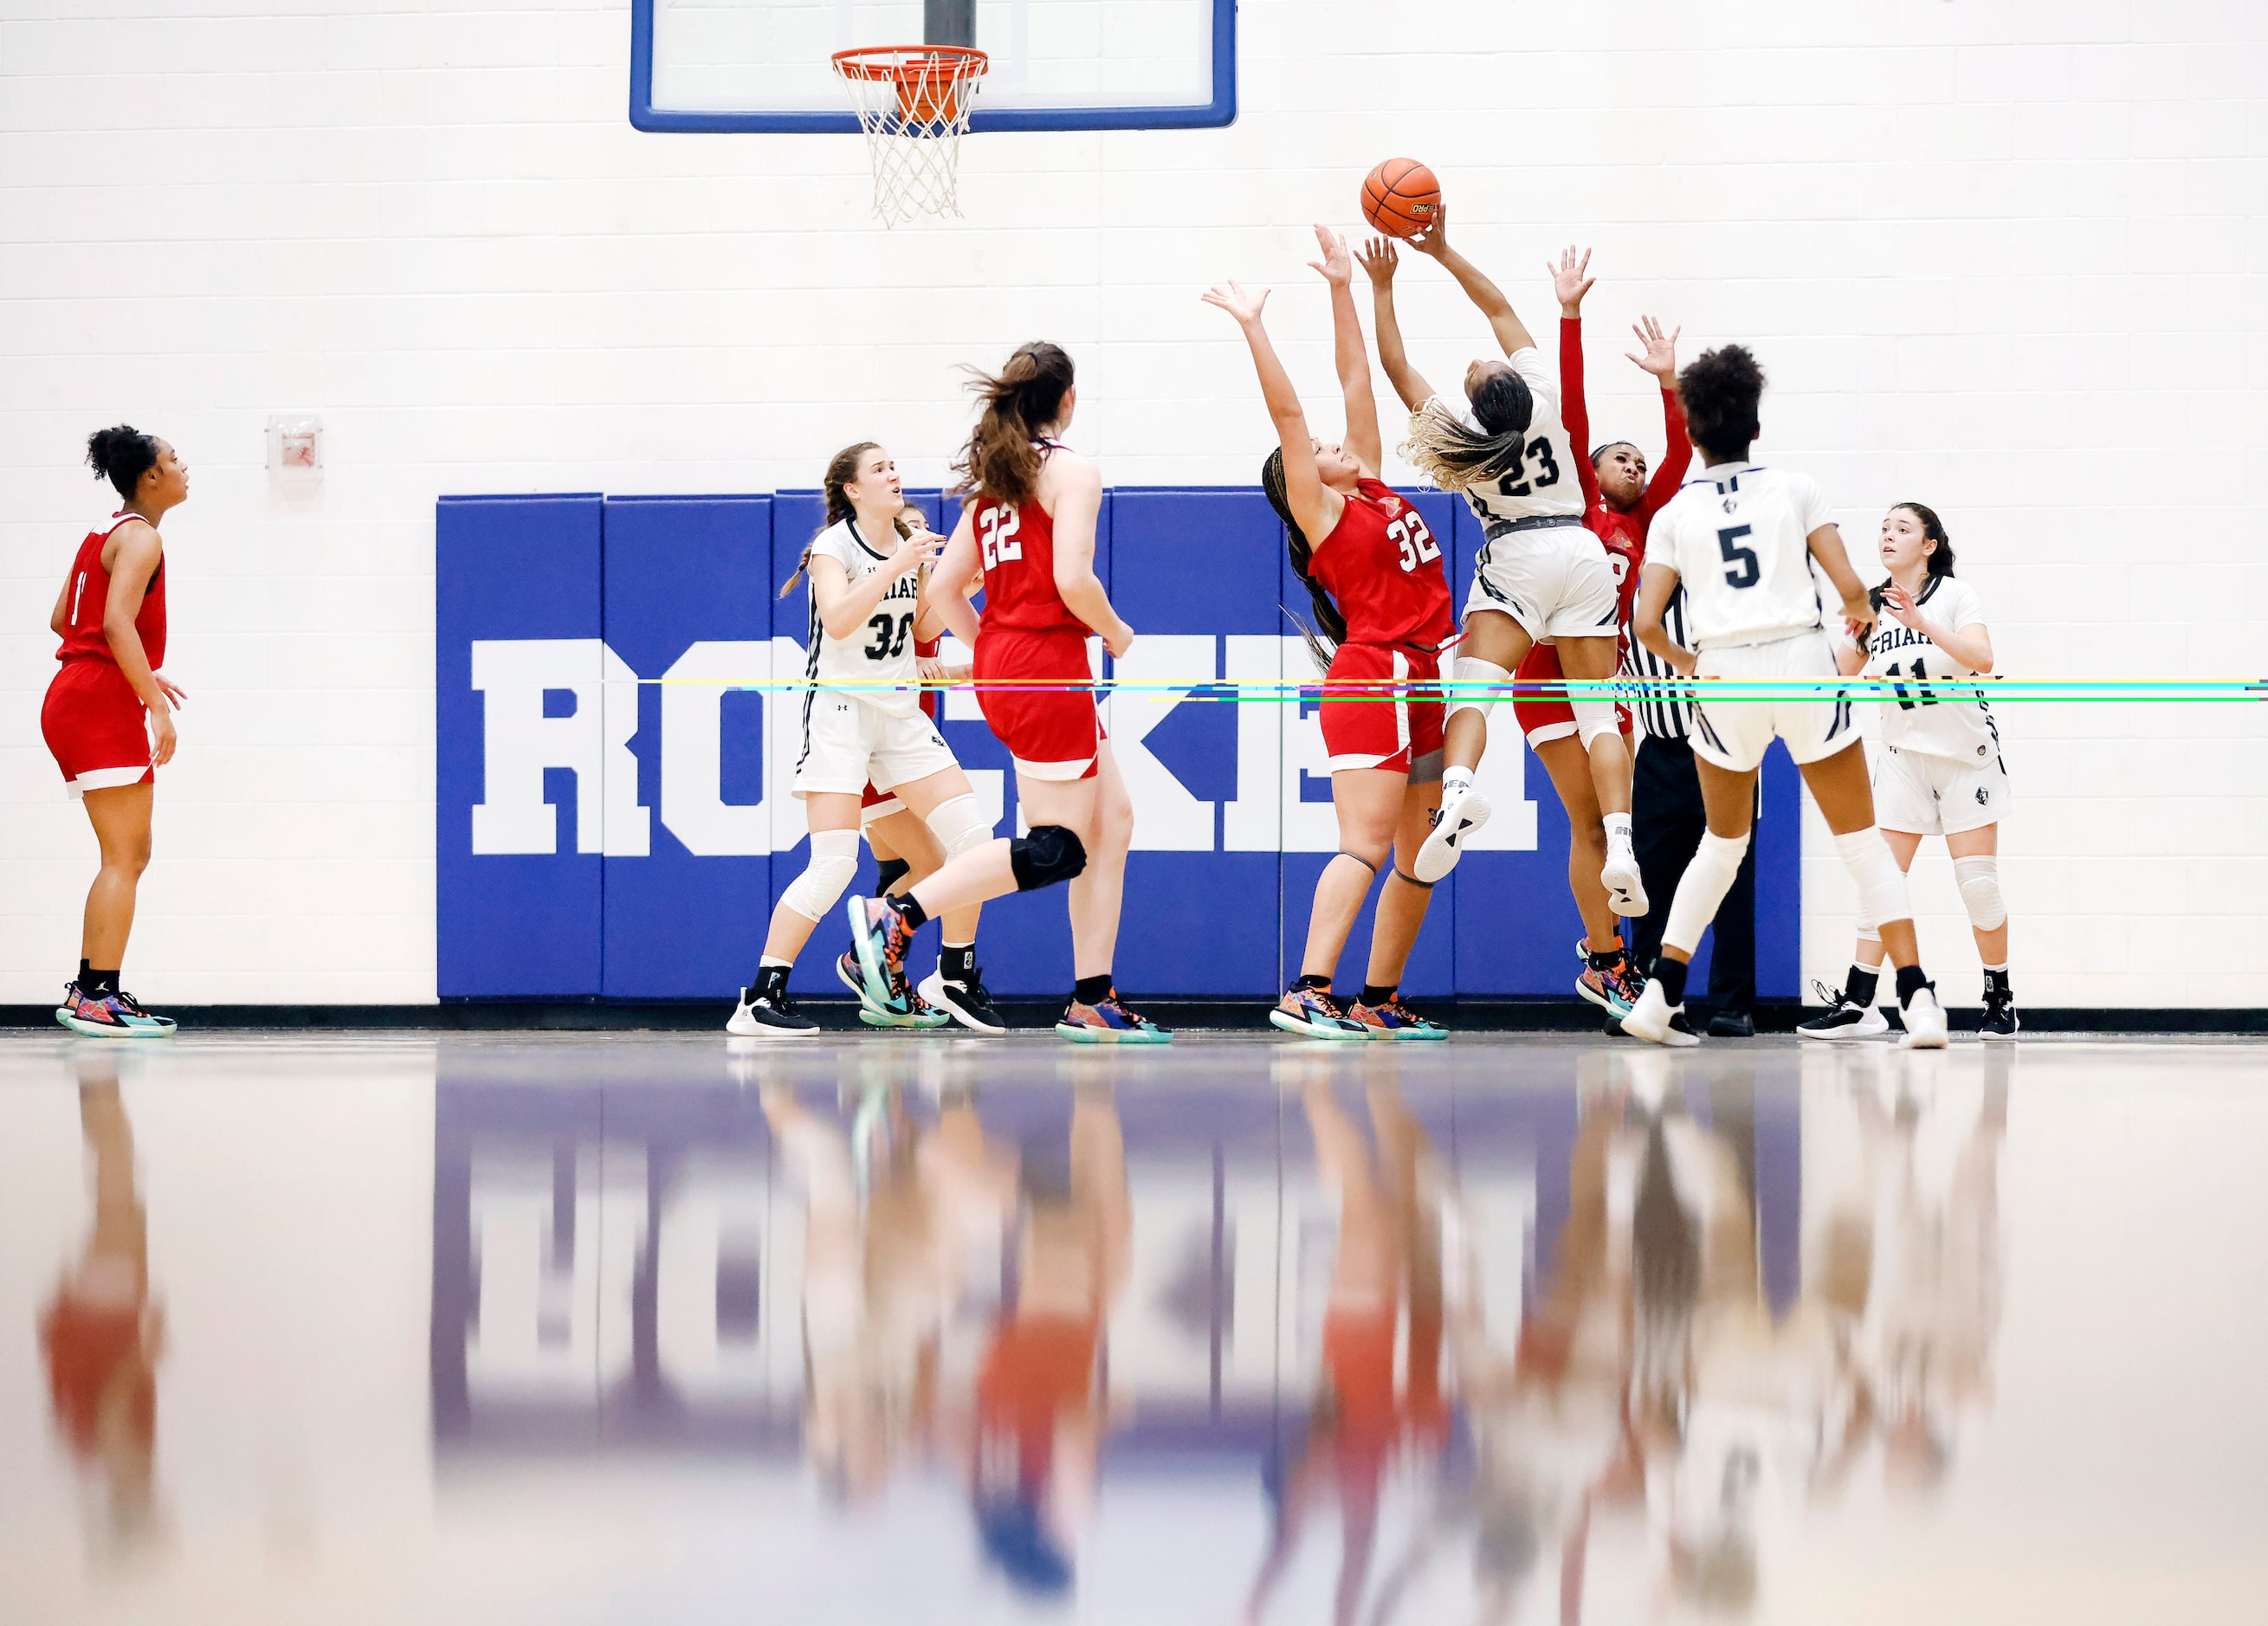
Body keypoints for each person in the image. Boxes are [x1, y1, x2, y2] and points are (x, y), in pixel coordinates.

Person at [1625, 345, 1948, 1048]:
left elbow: (1645, 623)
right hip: (1801, 666)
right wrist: (1858, 621)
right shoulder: (1795, 487)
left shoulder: (1673, 512)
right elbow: (1852, 589)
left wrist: (1690, 664)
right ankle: (1918, 1001)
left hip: (1721, 679)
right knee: (1862, 846)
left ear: (1691, 434)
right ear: (1755, 426)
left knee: (1718, 846)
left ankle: (1659, 994)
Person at [845, 343, 1167, 1043]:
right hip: (1047, 666)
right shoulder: (1071, 472)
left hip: (1009, 663)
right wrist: (1115, 633)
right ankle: (894, 919)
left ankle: (1092, 996)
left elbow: (941, 590)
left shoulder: (995, 482)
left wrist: (991, 645)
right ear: (1067, 400)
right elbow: (1074, 581)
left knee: (1111, 824)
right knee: (1058, 849)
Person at [1209, 229, 1452, 1042]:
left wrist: (1344, 286)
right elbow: (1290, 411)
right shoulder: (1321, 513)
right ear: (1299, 483)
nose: (1329, 445)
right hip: (1374, 676)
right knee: (1366, 844)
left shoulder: (1375, 486)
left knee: (1423, 854)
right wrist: (1253, 326)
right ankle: (1308, 988)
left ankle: (1378, 998)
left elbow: (1357, 381)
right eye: (1313, 452)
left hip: (1424, 678)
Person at [1363, 210, 1644, 913]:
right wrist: (1445, 251)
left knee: (1472, 695)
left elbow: (1395, 367)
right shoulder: (1543, 401)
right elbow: (1498, 308)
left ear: (1478, 405)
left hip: (1517, 556)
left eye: (1473, 369)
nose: (1475, 359)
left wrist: (1382, 285)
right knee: (1599, 717)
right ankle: (1621, 837)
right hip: (1580, 554)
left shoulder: (1460, 446)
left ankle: (1457, 792)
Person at [727, 443, 999, 1038]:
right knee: (833, 865)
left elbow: (922, 628)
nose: (894, 474)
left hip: (898, 715)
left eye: (894, 465)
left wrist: (960, 587)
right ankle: (760, 996)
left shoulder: (908, 541)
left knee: (973, 841)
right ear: (852, 489)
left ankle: (951, 977)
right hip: (840, 715)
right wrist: (899, 563)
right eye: (879, 469)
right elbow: (841, 620)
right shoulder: (833, 548)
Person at [1503, 244, 1694, 1018]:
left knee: (1611, 832)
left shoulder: (1648, 522)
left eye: (1640, 460)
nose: (1637, 465)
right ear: (1590, 467)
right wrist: (1569, 314)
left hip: (1609, 681)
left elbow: (1682, 452)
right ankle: (1604, 959)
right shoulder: (1575, 501)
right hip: (1547, 673)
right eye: (1622, 457)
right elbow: (1571, 408)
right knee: (1590, 823)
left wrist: (1668, 383)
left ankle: (1606, 958)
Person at [1804, 503, 2017, 1040]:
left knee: (1978, 885)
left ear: (1928, 545)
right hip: (1903, 759)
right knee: (1882, 879)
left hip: (1966, 758)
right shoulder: (1871, 606)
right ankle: (1859, 1002)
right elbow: (1839, 677)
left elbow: (1982, 657)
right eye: (1883, 528)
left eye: (1903, 529)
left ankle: (1999, 994)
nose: (1888, 536)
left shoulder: (1954, 594)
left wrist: (1921, 623)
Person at [42, 427, 191, 1037]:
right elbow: (113, 622)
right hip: (99, 702)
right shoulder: (143, 538)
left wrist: (132, 669)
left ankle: (95, 990)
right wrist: (152, 701)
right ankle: (95, 996)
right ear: (150, 477)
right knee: (125, 856)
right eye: (174, 458)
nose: (184, 466)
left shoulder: (103, 533)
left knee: (126, 854)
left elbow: (63, 620)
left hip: (76, 693)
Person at [835, 578, 1005, 1034]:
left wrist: (963, 589)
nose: (921, 540)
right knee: (936, 864)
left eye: (924, 530)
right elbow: (898, 660)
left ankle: (878, 977)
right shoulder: (871, 592)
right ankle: (869, 959)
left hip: (909, 743)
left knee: (914, 870)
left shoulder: (918, 595)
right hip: (876, 746)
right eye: (910, 530)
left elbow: (932, 651)